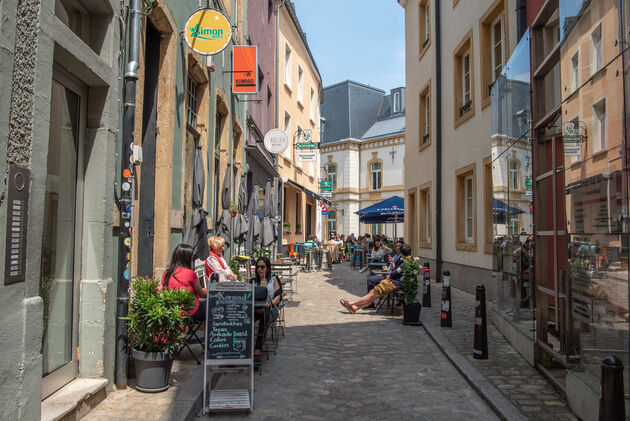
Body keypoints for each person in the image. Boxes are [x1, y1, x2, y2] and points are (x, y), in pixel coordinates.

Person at [340, 244, 413, 314]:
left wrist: (390, 276)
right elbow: (398, 271)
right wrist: (393, 266)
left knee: (373, 293)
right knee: (373, 293)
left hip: (395, 284)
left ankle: (351, 303)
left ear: (403, 253)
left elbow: (397, 272)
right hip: (395, 282)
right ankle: (355, 307)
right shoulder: (410, 260)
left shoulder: (406, 262)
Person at [162, 243, 207, 321]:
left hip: (173, 311)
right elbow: (202, 294)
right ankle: (209, 332)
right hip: (190, 311)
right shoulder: (189, 273)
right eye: (191, 258)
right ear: (186, 258)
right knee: (214, 305)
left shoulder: (167, 273)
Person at [250, 257, 282, 362]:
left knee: (264, 318)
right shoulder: (253, 281)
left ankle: (257, 351)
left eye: (262, 267)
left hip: (270, 309)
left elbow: (277, 297)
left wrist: (268, 305)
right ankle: (241, 348)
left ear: (267, 268)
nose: (259, 269)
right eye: (258, 267)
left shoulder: (273, 279)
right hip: (255, 310)